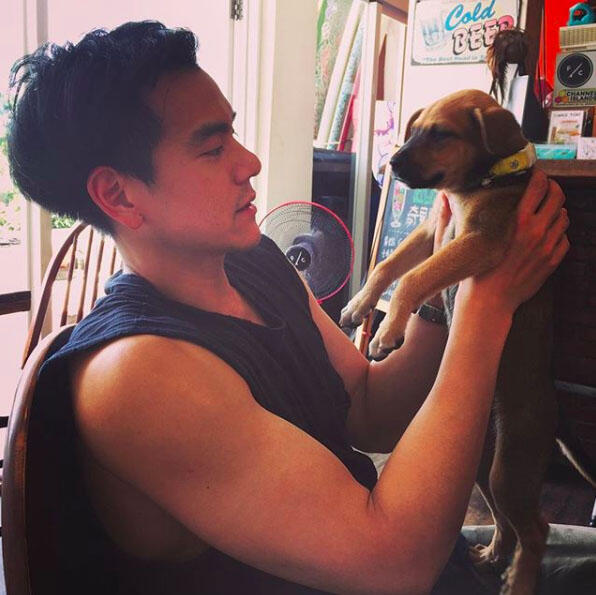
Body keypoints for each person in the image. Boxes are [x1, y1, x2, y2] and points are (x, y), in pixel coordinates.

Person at [8, 21, 568, 595]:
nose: (250, 161)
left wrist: (440, 288)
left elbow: (370, 409)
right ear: (120, 195)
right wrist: (487, 306)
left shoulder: (255, 265)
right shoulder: (139, 375)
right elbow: (396, 565)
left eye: (234, 134)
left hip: (438, 556)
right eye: (213, 147)